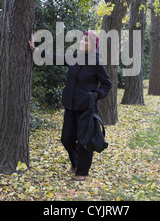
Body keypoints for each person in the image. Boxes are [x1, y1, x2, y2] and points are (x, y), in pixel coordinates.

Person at [28, 31, 112, 181]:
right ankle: (75, 163)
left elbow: (107, 84)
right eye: (81, 40)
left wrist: (94, 95)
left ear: (93, 45)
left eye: (86, 41)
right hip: (71, 106)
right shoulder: (75, 57)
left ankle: (82, 172)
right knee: (66, 138)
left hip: (86, 108)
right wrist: (36, 50)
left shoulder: (97, 62)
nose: (81, 43)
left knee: (84, 140)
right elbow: (57, 59)